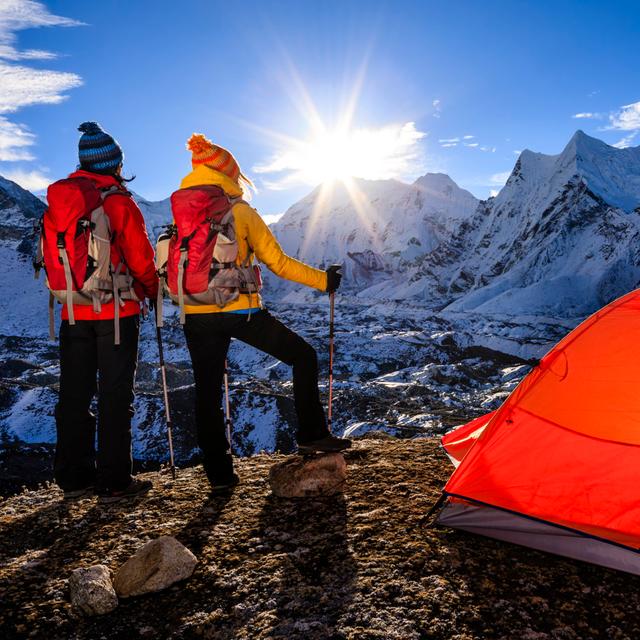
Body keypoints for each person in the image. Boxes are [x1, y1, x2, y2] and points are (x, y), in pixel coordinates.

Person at [174, 133, 351, 492]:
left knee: (207, 392)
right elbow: (279, 263)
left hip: (195, 313)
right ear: (230, 175)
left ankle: (219, 477)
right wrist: (324, 281)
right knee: (302, 356)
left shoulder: (181, 213)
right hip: (241, 312)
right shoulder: (241, 212)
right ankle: (312, 435)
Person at [49, 122, 158, 502]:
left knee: (74, 394)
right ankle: (114, 481)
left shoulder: (64, 200)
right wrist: (152, 291)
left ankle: (73, 477)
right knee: (114, 395)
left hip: (72, 312)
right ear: (114, 163)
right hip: (115, 314)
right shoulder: (117, 201)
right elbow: (142, 259)